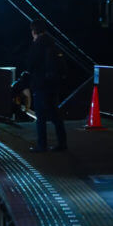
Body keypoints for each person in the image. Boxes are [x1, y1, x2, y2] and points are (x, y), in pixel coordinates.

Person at [26, 20, 67, 152]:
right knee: (55, 115)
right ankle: (62, 143)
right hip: (53, 84)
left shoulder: (38, 44)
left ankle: (42, 145)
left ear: (34, 31)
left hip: (40, 84)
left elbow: (31, 64)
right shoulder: (52, 42)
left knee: (41, 117)